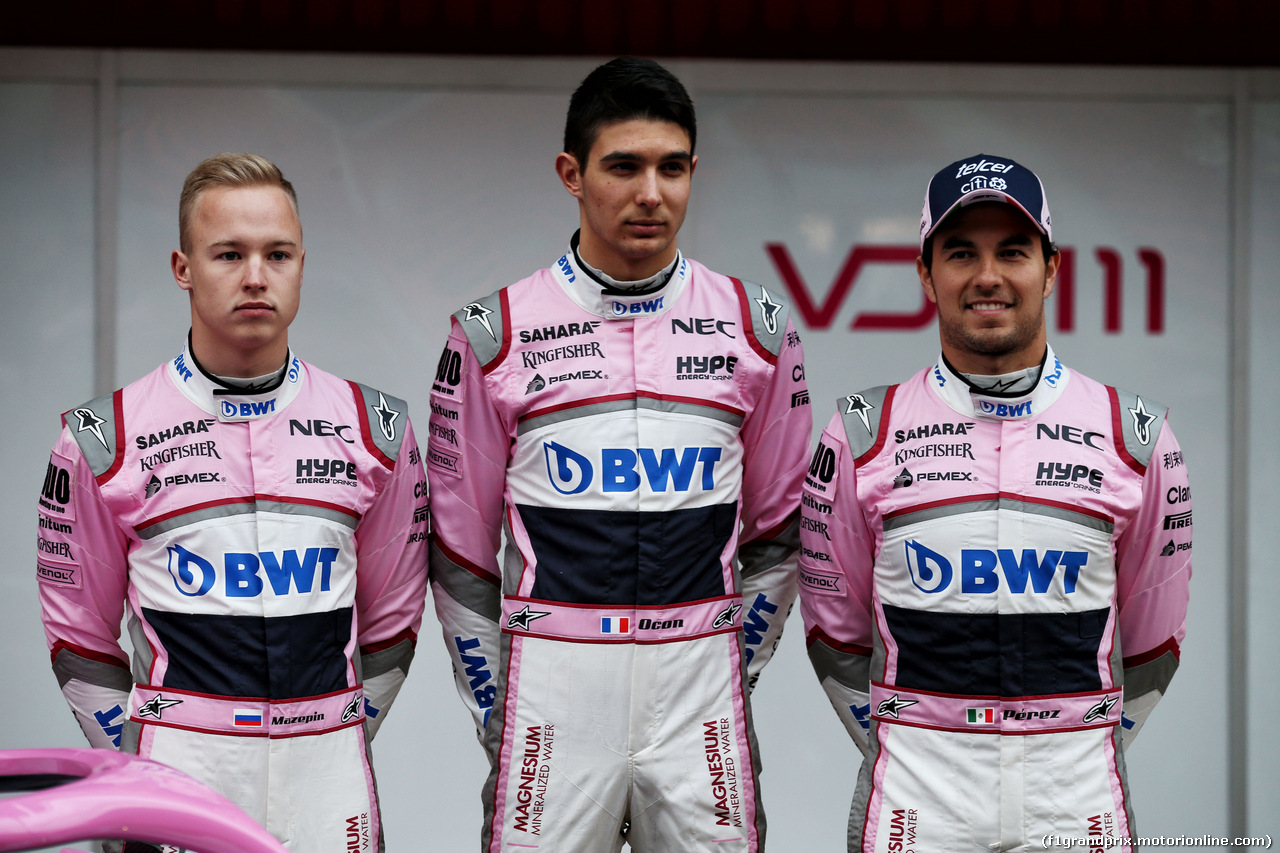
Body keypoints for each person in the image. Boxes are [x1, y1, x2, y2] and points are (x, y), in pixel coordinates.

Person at [426, 57, 810, 853]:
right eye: (624, 166)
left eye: (672, 168)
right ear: (571, 173)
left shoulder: (758, 327)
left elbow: (778, 530)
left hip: (699, 698)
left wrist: (724, 669)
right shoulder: (494, 332)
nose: (651, 193)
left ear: (694, 171)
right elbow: (460, 551)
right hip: (552, 700)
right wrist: (504, 703)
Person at [797, 154, 1192, 851]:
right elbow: (834, 632)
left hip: (1075, 796)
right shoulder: (861, 432)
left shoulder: (1138, 435)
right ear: (926, 274)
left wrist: (1077, 742)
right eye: (960, 252)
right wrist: (909, 739)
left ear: (1051, 268)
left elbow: (1155, 641)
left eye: (1012, 251)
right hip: (921, 792)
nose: (988, 276)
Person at [36, 153, 429, 852]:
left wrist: (333, 731)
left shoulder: (378, 430)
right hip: (178, 771)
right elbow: (78, 638)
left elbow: (394, 622)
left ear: (302, 262)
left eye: (277, 253)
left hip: (327, 772)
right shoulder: (102, 437)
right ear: (183, 266)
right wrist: (138, 764)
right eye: (229, 253)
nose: (255, 276)